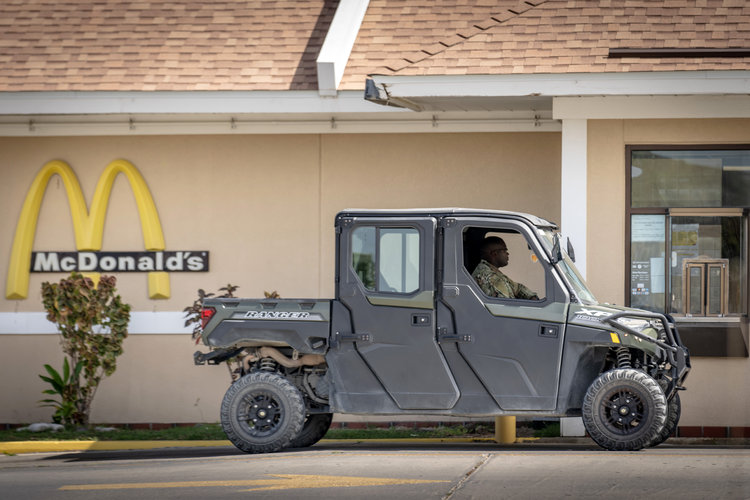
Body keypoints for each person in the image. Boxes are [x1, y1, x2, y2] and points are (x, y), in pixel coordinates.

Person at [472, 236, 539, 300]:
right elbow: (505, 305)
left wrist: (532, 297)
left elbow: (517, 288)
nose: (507, 254)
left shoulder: (494, 272)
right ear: (495, 254)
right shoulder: (487, 276)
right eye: (504, 250)